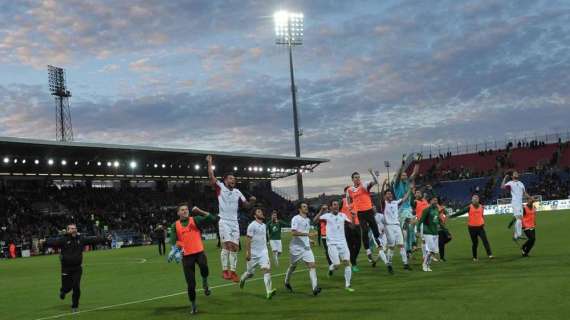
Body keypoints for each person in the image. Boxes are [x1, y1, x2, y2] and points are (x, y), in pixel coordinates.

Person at [207, 155, 256, 282]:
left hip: (235, 222)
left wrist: (252, 202)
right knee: (227, 245)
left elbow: (246, 206)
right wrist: (210, 162)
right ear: (225, 180)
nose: (233, 180)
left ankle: (233, 272)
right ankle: (225, 271)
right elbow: (211, 177)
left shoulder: (238, 192)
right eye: (230, 178)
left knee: (234, 247)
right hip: (224, 221)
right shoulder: (220, 187)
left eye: (234, 179)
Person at [45, 224, 110, 313]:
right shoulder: (63, 240)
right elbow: (53, 242)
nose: (74, 230)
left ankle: (75, 305)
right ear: (68, 230)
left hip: (77, 268)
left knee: (76, 286)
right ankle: (63, 291)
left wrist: (105, 238)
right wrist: (44, 242)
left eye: (75, 228)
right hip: (66, 268)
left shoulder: (81, 239)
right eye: (71, 228)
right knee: (67, 287)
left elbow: (93, 239)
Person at [168, 202, 217, 315]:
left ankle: (205, 282)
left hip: (199, 252)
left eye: (186, 209)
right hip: (186, 257)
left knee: (204, 267)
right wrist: (175, 250)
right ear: (178, 213)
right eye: (182, 210)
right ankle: (193, 305)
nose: (185, 211)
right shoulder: (175, 225)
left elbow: (212, 219)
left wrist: (200, 211)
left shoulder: (195, 220)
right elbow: (175, 241)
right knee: (191, 284)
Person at [314, 200, 355, 292]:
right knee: (337, 265)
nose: (336, 206)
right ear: (330, 207)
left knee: (347, 263)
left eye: (337, 205)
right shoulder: (327, 216)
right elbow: (315, 221)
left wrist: (353, 216)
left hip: (343, 243)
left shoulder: (343, 215)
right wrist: (321, 211)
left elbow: (352, 227)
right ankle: (331, 268)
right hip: (332, 244)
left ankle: (347, 285)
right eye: (334, 205)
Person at [346, 170, 382, 267]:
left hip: (369, 211)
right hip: (360, 213)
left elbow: (375, 182)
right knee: (365, 231)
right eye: (356, 177)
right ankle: (368, 251)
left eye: (359, 177)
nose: (358, 179)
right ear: (352, 179)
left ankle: (379, 243)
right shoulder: (350, 189)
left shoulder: (364, 185)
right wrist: (350, 208)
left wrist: (372, 174)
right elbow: (348, 199)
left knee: (375, 230)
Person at [284, 202, 322, 296]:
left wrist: (309, 240)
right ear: (299, 209)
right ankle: (286, 282)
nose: (306, 208)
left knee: (312, 265)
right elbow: (294, 233)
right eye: (304, 207)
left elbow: (304, 233)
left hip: (306, 248)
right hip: (296, 248)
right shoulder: (296, 218)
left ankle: (315, 288)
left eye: (306, 206)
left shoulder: (308, 220)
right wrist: (308, 235)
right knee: (292, 266)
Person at [240, 208, 277, 299]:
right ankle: (242, 279)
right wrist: (248, 253)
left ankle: (269, 291)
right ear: (255, 215)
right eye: (259, 212)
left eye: (261, 211)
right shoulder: (252, 225)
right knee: (250, 274)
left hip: (263, 252)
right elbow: (248, 240)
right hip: (253, 254)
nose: (261, 213)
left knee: (266, 269)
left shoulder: (264, 225)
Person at [449, 195, 494, 261]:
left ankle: (490, 254)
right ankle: (475, 257)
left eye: (476, 199)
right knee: (475, 243)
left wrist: (483, 222)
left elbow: (481, 215)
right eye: (473, 199)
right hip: (472, 228)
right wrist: (452, 216)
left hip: (480, 227)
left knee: (485, 240)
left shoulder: (481, 207)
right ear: (472, 200)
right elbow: (461, 212)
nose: (475, 200)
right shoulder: (469, 207)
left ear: (478, 200)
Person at [381, 179, 411, 273]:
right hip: (388, 226)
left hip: (397, 226)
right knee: (392, 247)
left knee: (401, 245)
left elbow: (405, 198)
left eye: (390, 194)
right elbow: (381, 196)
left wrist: (410, 189)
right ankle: (389, 264)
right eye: (388, 194)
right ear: (385, 196)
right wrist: (383, 185)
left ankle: (405, 264)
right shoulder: (384, 203)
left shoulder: (395, 203)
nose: (390, 195)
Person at [393, 164, 419, 258]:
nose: (405, 176)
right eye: (403, 175)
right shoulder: (396, 184)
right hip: (401, 209)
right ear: (400, 176)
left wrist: (417, 162)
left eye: (405, 175)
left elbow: (415, 173)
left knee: (410, 230)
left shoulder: (407, 183)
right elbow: (398, 175)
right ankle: (413, 244)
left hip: (408, 209)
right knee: (411, 225)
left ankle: (408, 250)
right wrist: (402, 165)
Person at [501, 170, 531, 241]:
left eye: (517, 173)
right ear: (512, 176)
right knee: (519, 218)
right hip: (515, 202)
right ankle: (519, 235)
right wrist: (505, 178)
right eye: (514, 173)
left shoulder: (521, 183)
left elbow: (525, 193)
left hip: (519, 203)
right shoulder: (510, 183)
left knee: (519, 219)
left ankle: (515, 236)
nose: (516, 173)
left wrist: (531, 198)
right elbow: (502, 187)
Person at [341, 187, 362, 272]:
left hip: (357, 224)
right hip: (347, 225)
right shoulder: (342, 201)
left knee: (358, 245)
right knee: (350, 245)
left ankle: (352, 260)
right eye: (348, 191)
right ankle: (353, 264)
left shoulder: (357, 201)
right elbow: (337, 212)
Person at [419, 197, 440, 272]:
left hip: (435, 232)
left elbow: (437, 220)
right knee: (431, 250)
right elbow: (421, 220)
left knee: (434, 251)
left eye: (436, 200)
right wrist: (418, 229)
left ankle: (427, 265)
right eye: (434, 200)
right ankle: (425, 265)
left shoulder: (437, 210)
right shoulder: (426, 210)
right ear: (430, 201)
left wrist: (442, 228)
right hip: (428, 232)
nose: (435, 201)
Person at [411, 189, 430, 259]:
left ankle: (413, 251)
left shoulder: (425, 200)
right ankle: (424, 256)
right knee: (423, 240)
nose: (418, 193)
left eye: (419, 192)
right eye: (417, 193)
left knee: (427, 239)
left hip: (428, 222)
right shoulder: (415, 201)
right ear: (415, 195)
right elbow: (412, 205)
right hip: (420, 222)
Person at [313, 204, 333, 269]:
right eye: (324, 209)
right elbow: (314, 220)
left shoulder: (331, 215)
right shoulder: (321, 216)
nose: (326, 210)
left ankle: (334, 261)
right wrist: (321, 211)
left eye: (326, 208)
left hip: (333, 235)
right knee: (327, 250)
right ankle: (330, 264)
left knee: (334, 250)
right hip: (324, 235)